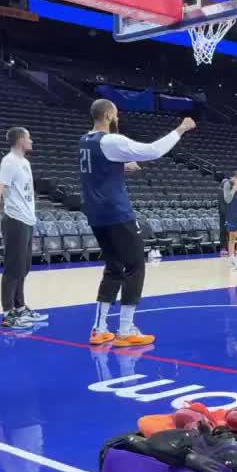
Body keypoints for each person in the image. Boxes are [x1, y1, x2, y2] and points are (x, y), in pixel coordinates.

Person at [80, 99, 196, 347]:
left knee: (113, 268)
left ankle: (99, 329)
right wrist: (181, 129)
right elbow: (153, 150)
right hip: (116, 213)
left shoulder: (85, 141)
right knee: (135, 266)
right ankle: (125, 329)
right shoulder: (111, 140)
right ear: (110, 115)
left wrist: (121, 165)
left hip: (96, 213)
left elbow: (100, 169)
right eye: (117, 113)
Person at [0, 127, 48, 328]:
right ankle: (8, 313)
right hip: (15, 220)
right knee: (13, 269)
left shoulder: (25, 163)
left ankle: (20, 308)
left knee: (24, 267)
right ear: (21, 140)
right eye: (29, 138)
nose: (32, 141)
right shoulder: (9, 161)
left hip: (27, 220)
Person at [217, 176, 230, 255]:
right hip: (224, 215)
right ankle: (222, 248)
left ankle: (229, 248)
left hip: (228, 215)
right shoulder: (221, 192)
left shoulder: (227, 191)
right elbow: (222, 206)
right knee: (223, 232)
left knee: (229, 232)